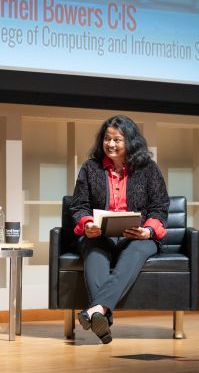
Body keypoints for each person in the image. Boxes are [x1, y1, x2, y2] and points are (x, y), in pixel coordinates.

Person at [70, 115, 169, 344]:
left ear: (130, 142)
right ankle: (100, 315)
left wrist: (148, 231)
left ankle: (94, 311)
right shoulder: (90, 168)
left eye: (117, 139)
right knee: (94, 254)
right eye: (107, 139)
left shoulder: (148, 169)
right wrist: (87, 224)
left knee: (135, 251)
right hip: (99, 235)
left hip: (138, 236)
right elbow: (79, 205)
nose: (111, 144)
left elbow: (160, 207)